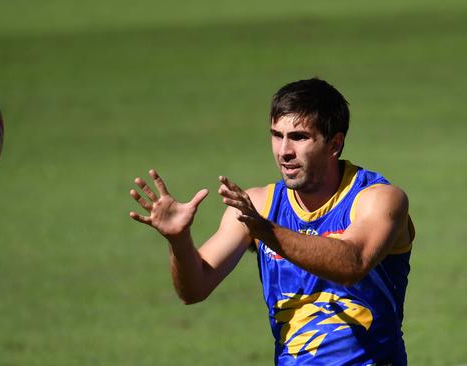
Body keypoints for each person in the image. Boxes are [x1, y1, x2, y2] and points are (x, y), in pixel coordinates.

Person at [128, 78, 414, 365]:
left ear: (334, 144)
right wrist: (179, 240)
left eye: (300, 137)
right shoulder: (259, 205)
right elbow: (194, 289)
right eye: (277, 135)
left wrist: (265, 230)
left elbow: (352, 263)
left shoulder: (378, 199)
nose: (284, 151)